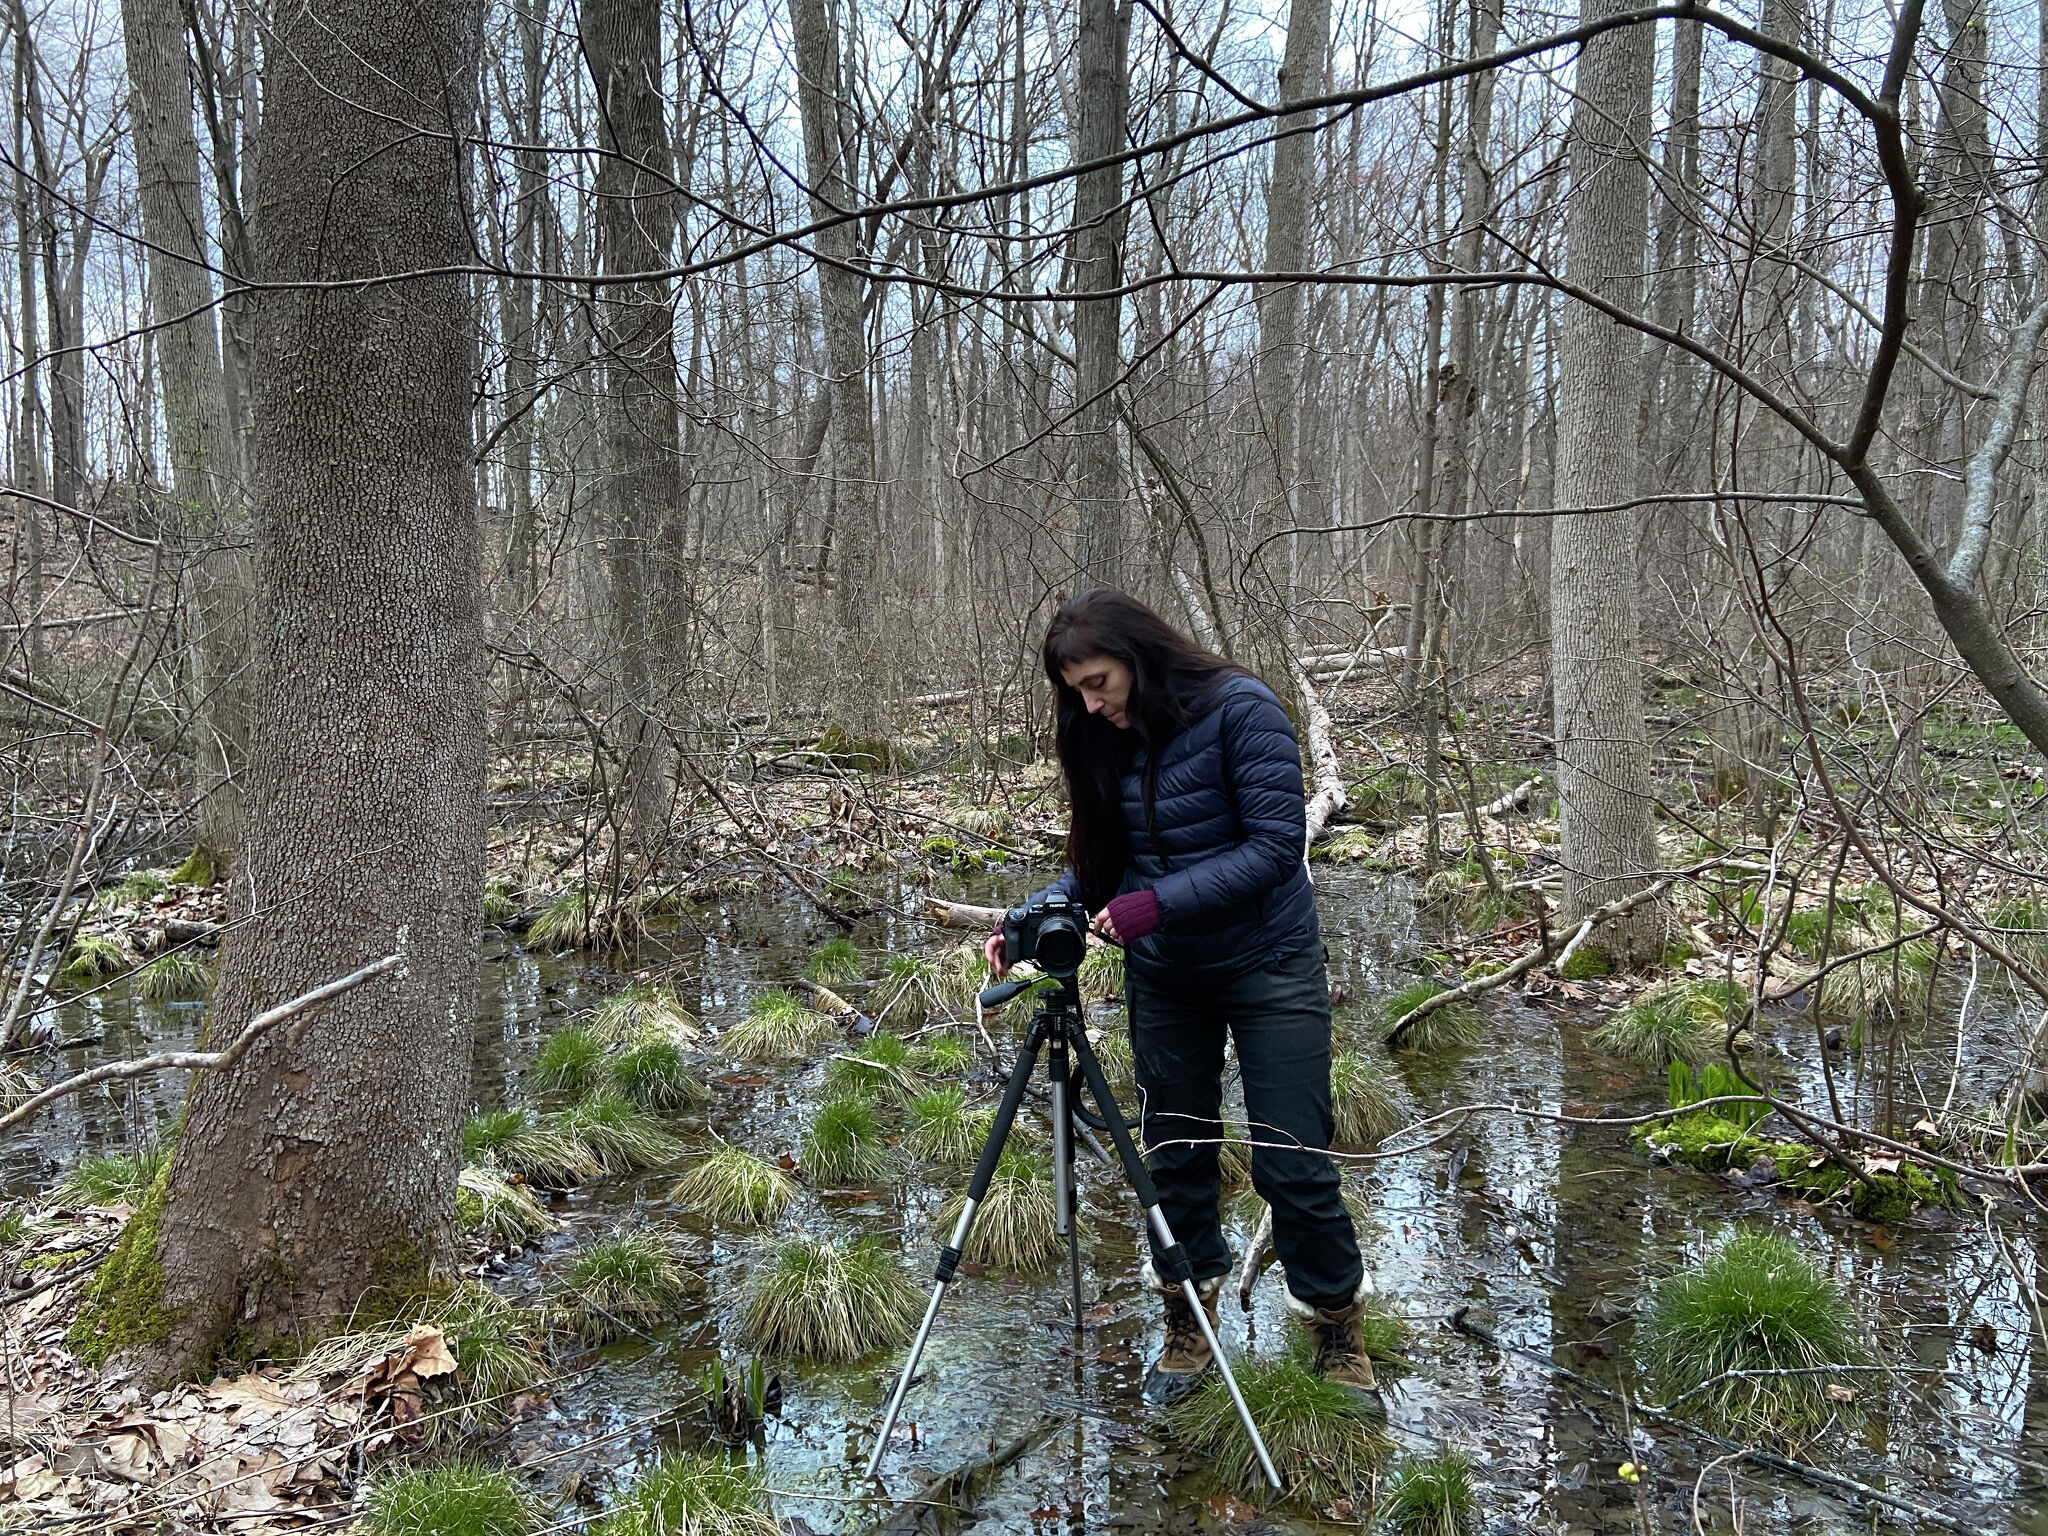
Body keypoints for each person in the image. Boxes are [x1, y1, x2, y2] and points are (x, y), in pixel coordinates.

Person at [984, 588, 1378, 1412]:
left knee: (1293, 1159)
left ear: (1139, 655)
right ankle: (1187, 1321)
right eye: (1076, 691)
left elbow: (1275, 847)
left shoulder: (1242, 710)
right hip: (1166, 976)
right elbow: (1101, 867)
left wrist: (1153, 904)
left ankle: (1337, 1334)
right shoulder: (1102, 735)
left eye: (1098, 682)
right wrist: (1031, 921)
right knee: (1176, 1156)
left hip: (1271, 962)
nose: (1090, 703)